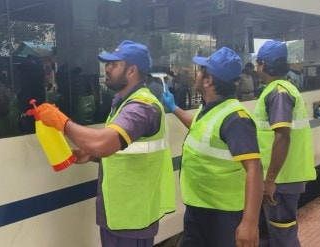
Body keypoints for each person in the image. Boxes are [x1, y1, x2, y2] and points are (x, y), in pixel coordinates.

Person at [36, 40, 175, 247]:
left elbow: (105, 143)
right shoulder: (123, 102)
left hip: (132, 218)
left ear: (132, 70)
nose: (107, 68)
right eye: (107, 63)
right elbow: (120, 148)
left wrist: (61, 122)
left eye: (114, 64)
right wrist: (92, 155)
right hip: (119, 214)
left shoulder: (142, 107)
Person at [162, 47, 263, 247]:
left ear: (208, 80)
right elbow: (204, 130)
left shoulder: (236, 119)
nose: (197, 74)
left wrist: (250, 222)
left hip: (223, 215)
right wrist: (174, 108)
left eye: (201, 70)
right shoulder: (210, 109)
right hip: (199, 209)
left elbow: (254, 168)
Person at [253, 40, 316, 247]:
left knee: (282, 237)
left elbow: (282, 135)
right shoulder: (282, 88)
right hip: (283, 178)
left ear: (263, 64)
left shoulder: (278, 93)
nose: (255, 68)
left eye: (257, 63)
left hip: (281, 181)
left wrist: (270, 180)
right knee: (272, 235)